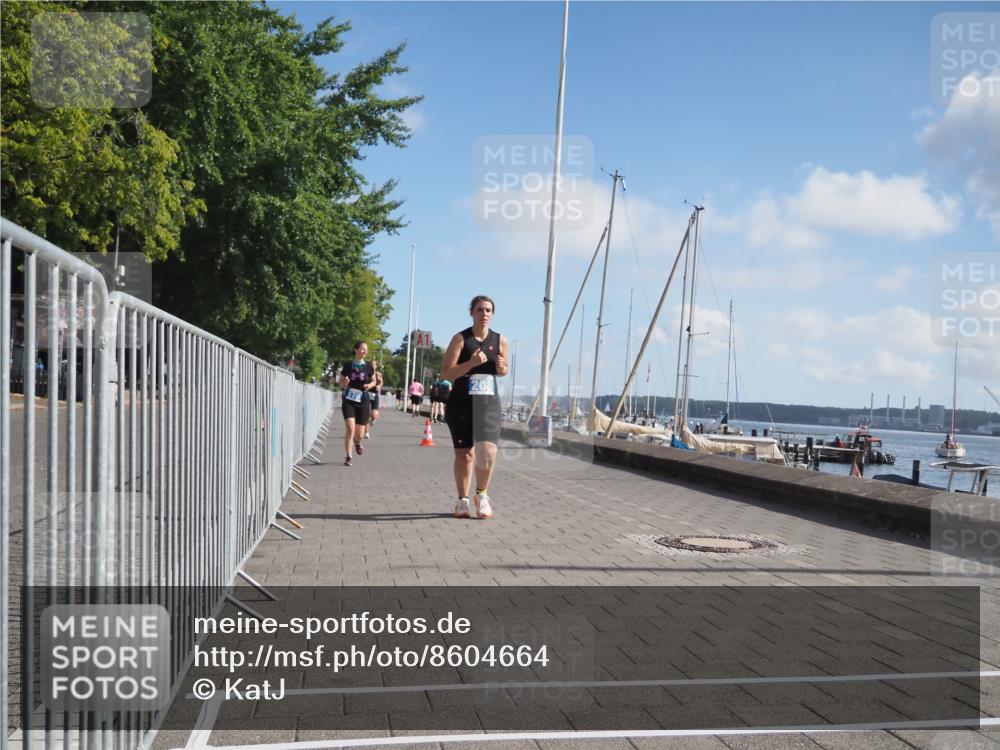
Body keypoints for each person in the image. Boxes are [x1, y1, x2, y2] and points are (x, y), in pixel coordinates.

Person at [441, 295, 509, 519]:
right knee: (465, 454)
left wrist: (502, 368)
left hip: (488, 403)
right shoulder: (461, 339)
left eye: (488, 310)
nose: (484, 314)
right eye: (480, 310)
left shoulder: (500, 340)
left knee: (488, 451)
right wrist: (470, 363)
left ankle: (482, 494)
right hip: (461, 403)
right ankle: (462, 500)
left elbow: (504, 370)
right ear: (472, 312)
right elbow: (447, 373)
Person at [339, 341, 375, 466]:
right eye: (363, 349)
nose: (365, 351)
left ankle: (358, 442)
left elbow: (374, 381)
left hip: (363, 400)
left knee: (359, 433)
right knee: (350, 428)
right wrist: (344, 383)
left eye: (366, 349)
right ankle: (348, 456)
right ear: (355, 350)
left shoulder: (369, 366)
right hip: (349, 399)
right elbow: (341, 382)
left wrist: (369, 385)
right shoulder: (348, 366)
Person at [365, 360, 384, 440]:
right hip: (366, 394)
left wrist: (379, 386)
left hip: (375, 394)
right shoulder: (366, 373)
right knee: (366, 414)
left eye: (374, 365)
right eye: (371, 364)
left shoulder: (378, 374)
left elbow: (382, 382)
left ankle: (373, 419)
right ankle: (366, 432)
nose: (372, 366)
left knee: (374, 414)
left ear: (376, 366)